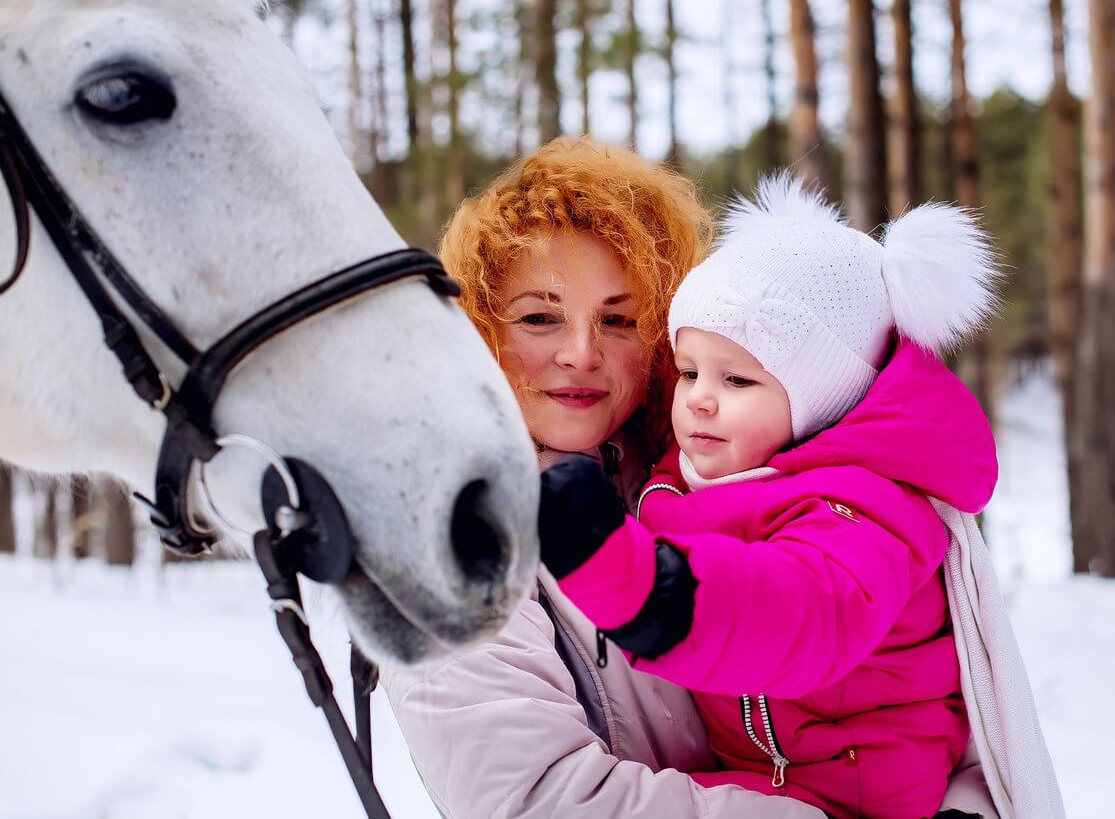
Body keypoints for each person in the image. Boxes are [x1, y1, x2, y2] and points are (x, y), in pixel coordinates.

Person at [379, 139, 824, 818]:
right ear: (479, 329)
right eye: (539, 317)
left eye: (618, 320)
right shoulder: (443, 533)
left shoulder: (715, 473)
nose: (581, 354)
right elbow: (537, 800)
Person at [537, 176, 1002, 818]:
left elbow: (806, 607)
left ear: (821, 398)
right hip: (763, 774)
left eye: (737, 380)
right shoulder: (692, 476)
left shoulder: (865, 506)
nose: (699, 399)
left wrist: (643, 583)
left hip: (860, 793)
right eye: (689, 372)